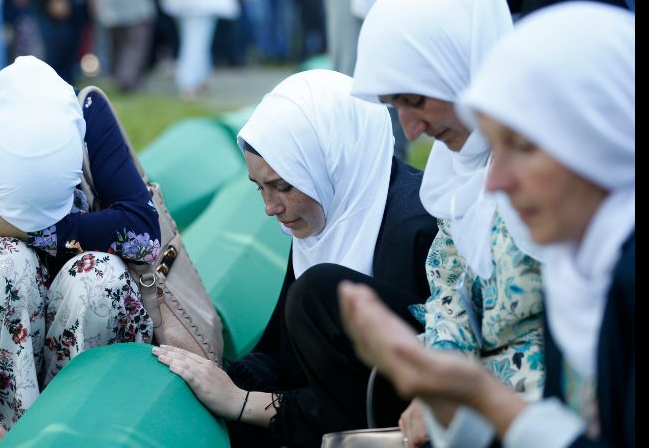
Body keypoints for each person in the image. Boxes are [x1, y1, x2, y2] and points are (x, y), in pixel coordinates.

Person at [340, 1, 634, 448]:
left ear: (601, 131)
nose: (494, 182)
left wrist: (477, 397)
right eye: (497, 147)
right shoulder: (575, 266)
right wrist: (448, 389)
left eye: (523, 146)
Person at [153, 69, 438, 447]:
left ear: (332, 161)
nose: (270, 208)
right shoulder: (332, 211)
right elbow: (287, 359)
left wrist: (240, 402)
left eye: (282, 186)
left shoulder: (414, 229)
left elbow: (365, 405)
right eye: (260, 188)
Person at [0, 56, 161, 447]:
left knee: (101, 274)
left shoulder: (83, 116)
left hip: (79, 348)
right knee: (1, 264)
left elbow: (144, 234)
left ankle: (80, 431)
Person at [349, 0, 547, 444]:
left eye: (415, 99)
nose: (411, 129)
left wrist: (462, 399)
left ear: (463, 63)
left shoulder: (555, 167)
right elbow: (449, 294)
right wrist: (438, 386)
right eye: (396, 106)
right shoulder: (454, 168)